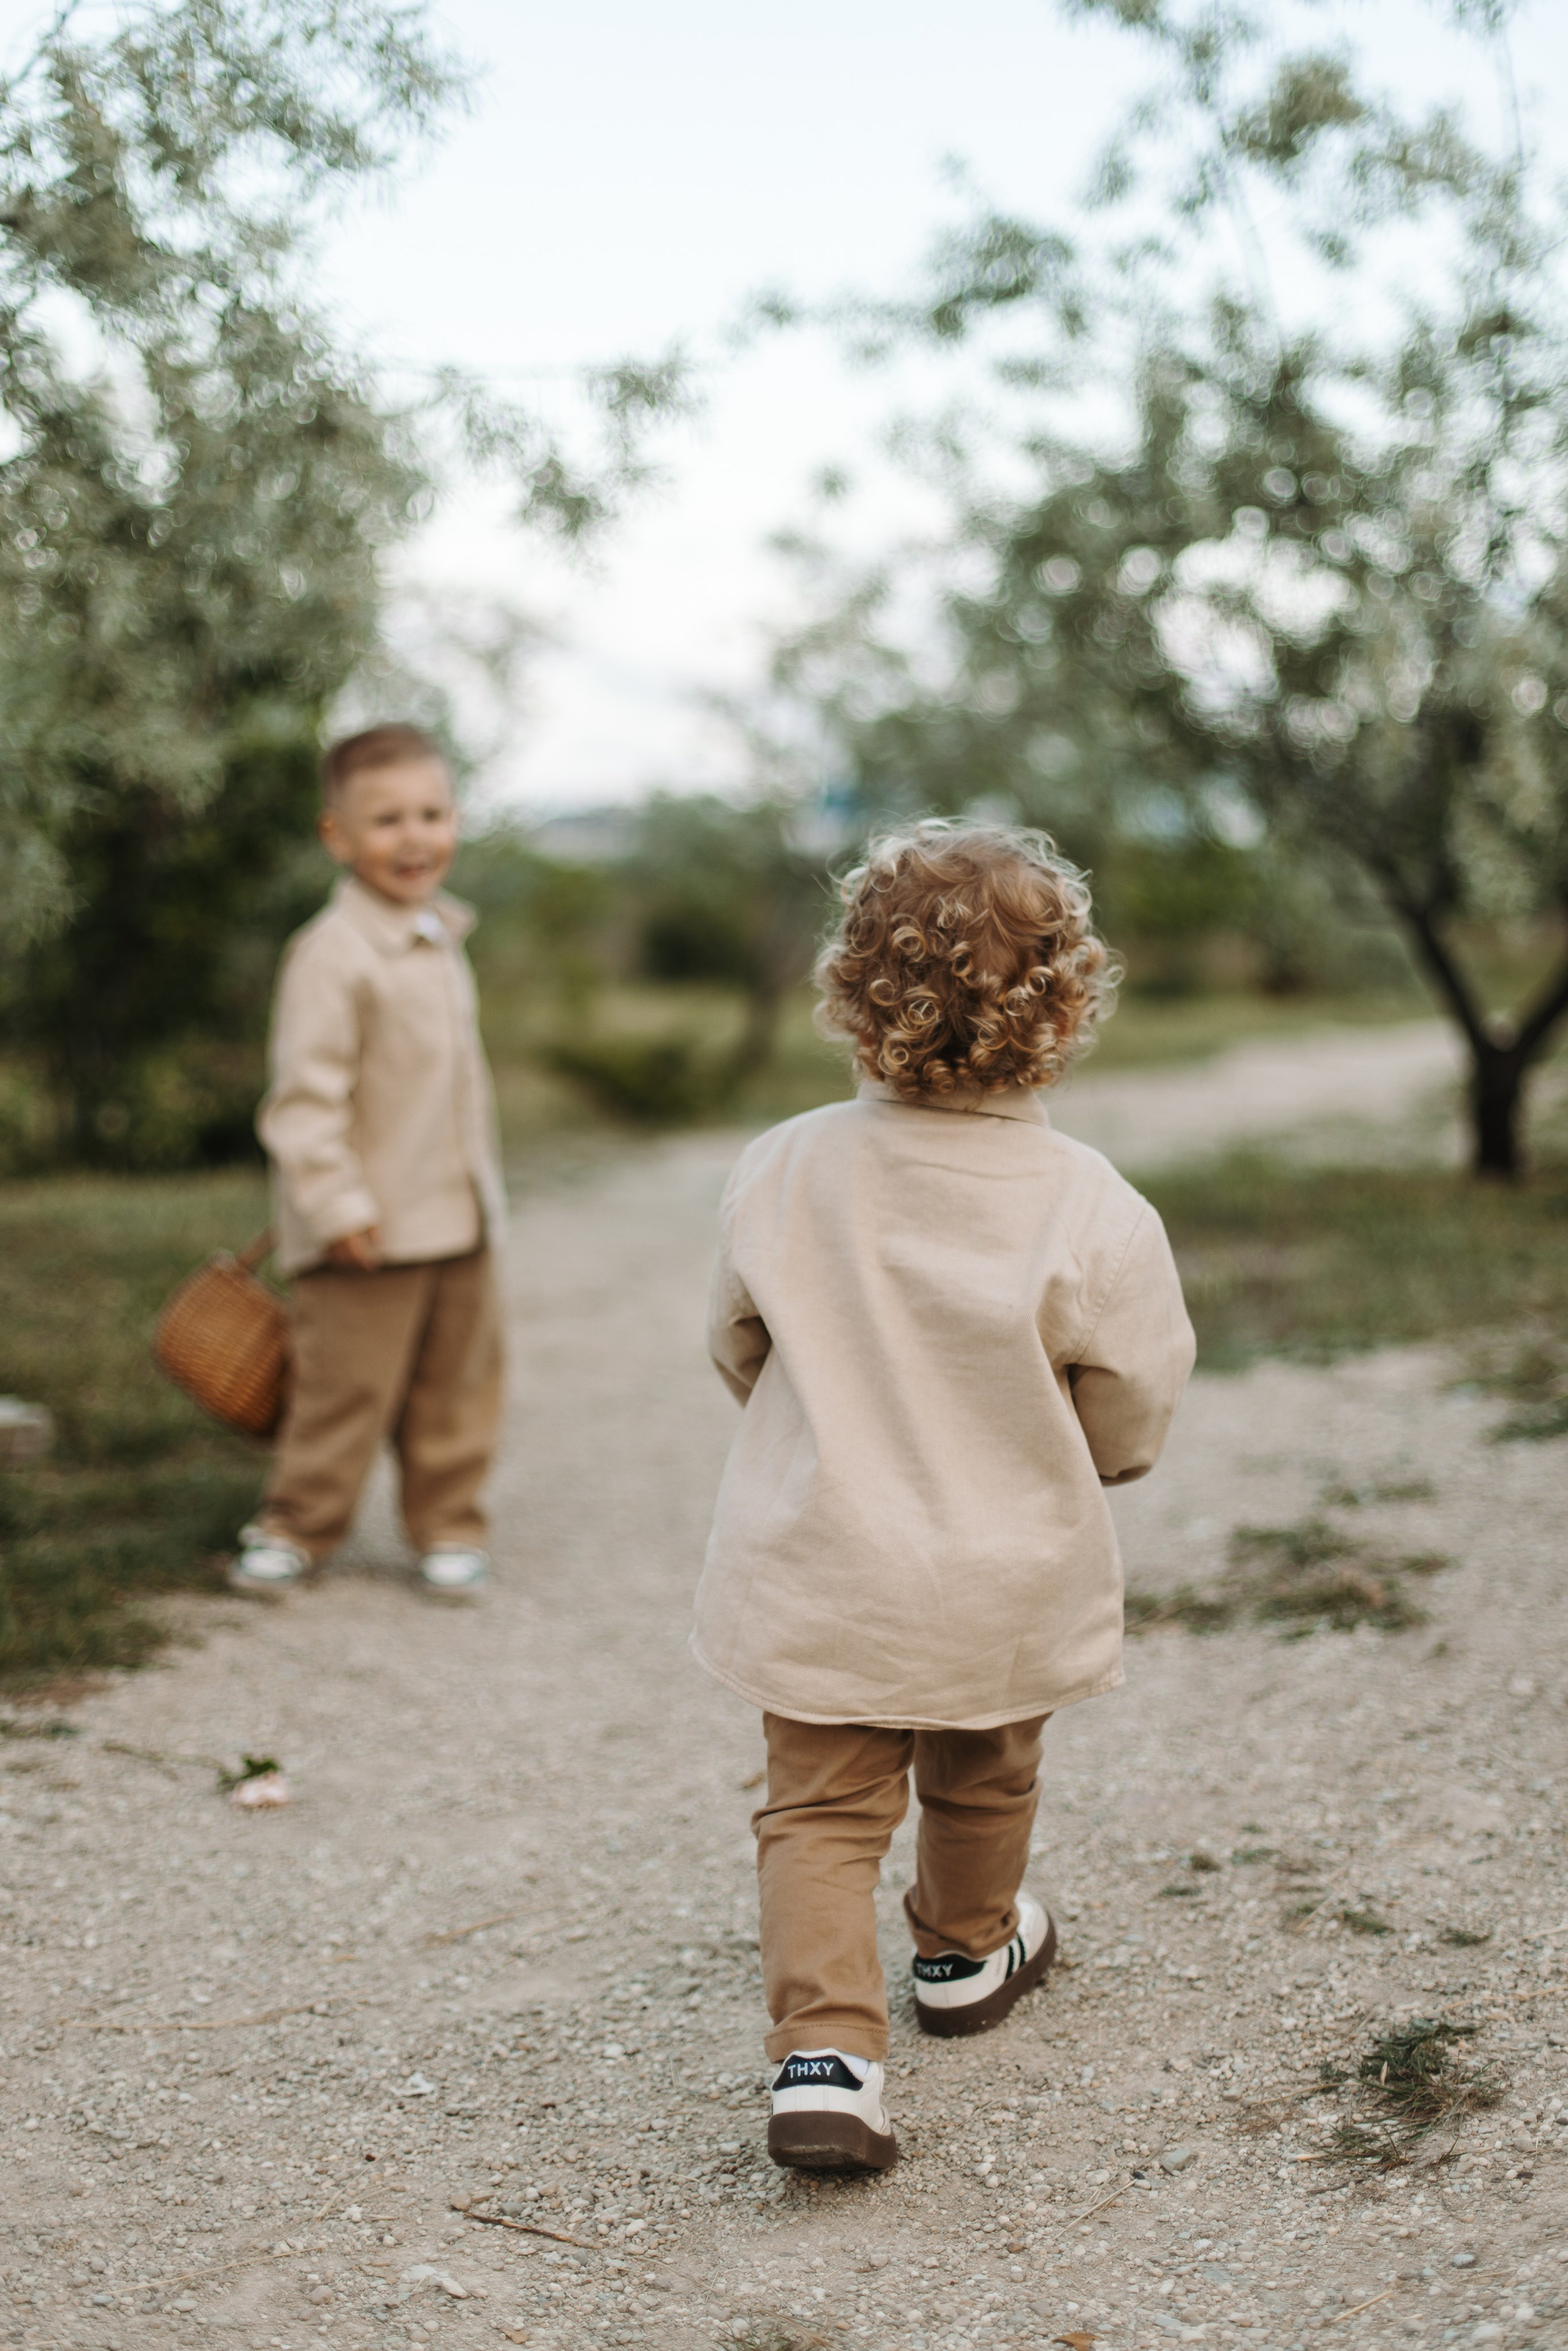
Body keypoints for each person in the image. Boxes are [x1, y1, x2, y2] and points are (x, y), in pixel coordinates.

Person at [695, 821, 1195, 2172]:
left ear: (852, 995)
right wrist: (1085, 1453)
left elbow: (740, 1341)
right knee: (983, 1764)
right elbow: (1131, 1391)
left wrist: (815, 1420)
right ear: (1066, 1004)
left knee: (814, 1809)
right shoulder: (1089, 1206)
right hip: (1000, 1564)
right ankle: (967, 1952)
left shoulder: (785, 1165)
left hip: (823, 1555)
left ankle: (826, 2053)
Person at [228, 723, 507, 1603]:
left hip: (457, 1212)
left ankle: (449, 1526)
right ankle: (296, 1525)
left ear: (456, 819)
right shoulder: (333, 953)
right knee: (342, 1389)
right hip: (370, 1223)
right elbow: (304, 1101)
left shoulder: (439, 932)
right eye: (386, 820)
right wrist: (337, 1204)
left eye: (431, 813)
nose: (415, 836)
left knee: (457, 1388)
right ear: (338, 837)